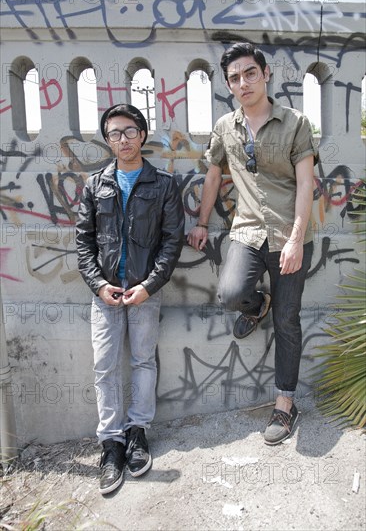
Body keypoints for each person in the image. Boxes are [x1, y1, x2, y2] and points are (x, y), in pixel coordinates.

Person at [188, 43, 317, 446]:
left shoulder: (295, 123)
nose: (242, 83)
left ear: (265, 75)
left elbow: (305, 186)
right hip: (246, 230)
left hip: (289, 235)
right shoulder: (226, 127)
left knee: (288, 320)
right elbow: (213, 176)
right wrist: (202, 223)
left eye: (249, 73)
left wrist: (295, 240)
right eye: (234, 78)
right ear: (228, 85)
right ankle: (255, 304)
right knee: (230, 293)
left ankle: (285, 403)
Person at [76, 104, 185, 494]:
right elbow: (83, 243)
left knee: (142, 361)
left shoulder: (164, 184)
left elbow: (172, 243)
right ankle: (111, 444)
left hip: (144, 292)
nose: (122, 140)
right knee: (105, 366)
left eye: (129, 131)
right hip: (104, 292)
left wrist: (149, 286)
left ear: (142, 133)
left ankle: (138, 433)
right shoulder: (94, 185)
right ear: (107, 140)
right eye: (113, 134)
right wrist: (98, 284)